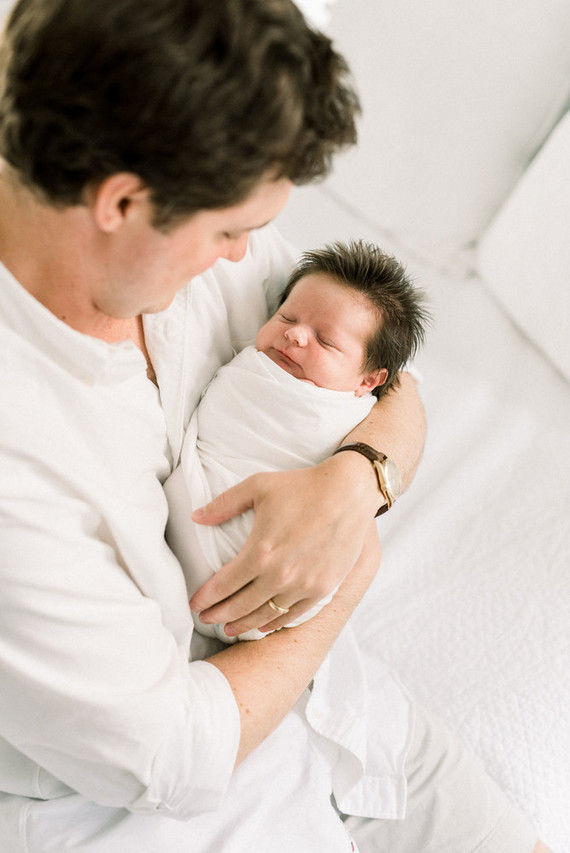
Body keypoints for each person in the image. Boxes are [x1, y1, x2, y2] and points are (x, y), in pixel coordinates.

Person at [0, 0, 548, 851]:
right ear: (120, 201)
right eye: (229, 231)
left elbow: (386, 378)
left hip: (330, 700)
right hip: (129, 806)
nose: (243, 255)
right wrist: (348, 569)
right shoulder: (18, 460)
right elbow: (167, 754)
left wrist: (358, 477)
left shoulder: (179, 238)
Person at [166, 239, 430, 642]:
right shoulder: (256, 359)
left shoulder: (352, 415)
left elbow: (404, 389)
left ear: (368, 381)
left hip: (268, 588)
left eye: (325, 341)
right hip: (186, 538)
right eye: (286, 317)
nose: (296, 336)